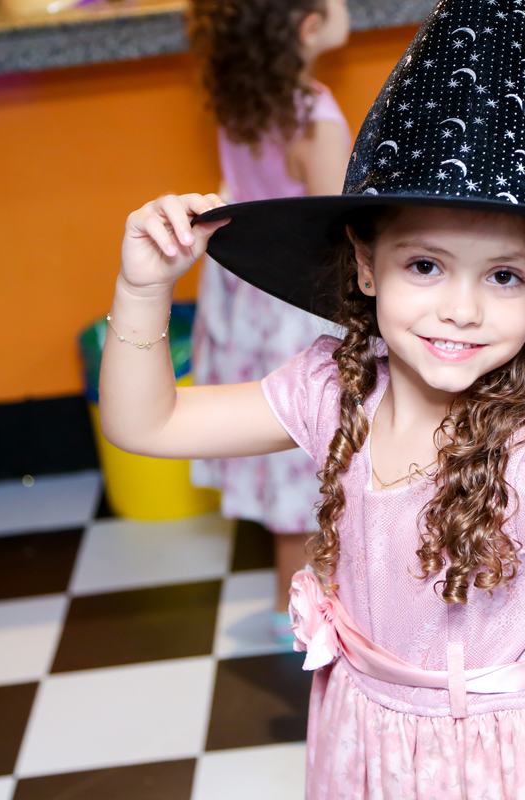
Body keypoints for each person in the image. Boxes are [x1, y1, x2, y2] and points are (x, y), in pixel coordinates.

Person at [100, 0, 525, 797]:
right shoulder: (336, 391)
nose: (461, 308)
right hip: (364, 740)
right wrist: (142, 290)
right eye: (425, 265)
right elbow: (147, 422)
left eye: (504, 276)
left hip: (502, 765)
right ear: (366, 266)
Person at [186, 0, 352, 635]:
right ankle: (306, 622)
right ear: (309, 27)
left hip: (249, 300)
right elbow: (335, 228)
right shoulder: (315, 117)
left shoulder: (243, 98)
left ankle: (299, 610)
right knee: (312, 458)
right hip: (297, 306)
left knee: (284, 448)